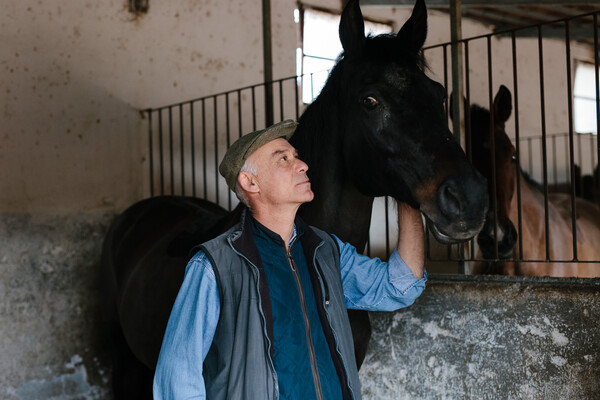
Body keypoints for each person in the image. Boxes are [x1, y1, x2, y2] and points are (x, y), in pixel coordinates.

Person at [153, 120, 427, 400]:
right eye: (283, 159)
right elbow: (177, 379)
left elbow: (401, 286)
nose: (302, 165)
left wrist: (407, 197)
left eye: (296, 156)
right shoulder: (213, 266)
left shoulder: (326, 251)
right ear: (250, 182)